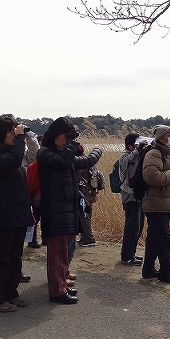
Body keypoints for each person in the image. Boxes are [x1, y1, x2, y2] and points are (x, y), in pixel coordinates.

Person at [38, 117, 102, 304]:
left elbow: (84, 161)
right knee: (57, 254)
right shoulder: (45, 152)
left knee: (67, 250)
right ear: (56, 135)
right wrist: (72, 143)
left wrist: (97, 150)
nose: (69, 140)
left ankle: (61, 285)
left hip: (67, 209)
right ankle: (57, 292)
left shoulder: (61, 153)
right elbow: (63, 161)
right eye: (67, 136)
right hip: (54, 210)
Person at [0, 115, 35, 312]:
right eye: (12, 132)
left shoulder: (11, 153)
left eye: (16, 131)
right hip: (5, 213)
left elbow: (27, 158)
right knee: (2, 257)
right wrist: (20, 138)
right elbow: (14, 160)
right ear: (1, 134)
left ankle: (11, 292)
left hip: (18, 212)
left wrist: (25, 137)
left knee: (15, 256)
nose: (15, 135)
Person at [141, 125, 170, 284]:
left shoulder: (164, 153)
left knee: (154, 238)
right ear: (163, 138)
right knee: (164, 239)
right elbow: (152, 177)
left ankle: (148, 269)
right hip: (156, 203)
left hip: (161, 202)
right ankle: (165, 272)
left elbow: (161, 174)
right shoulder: (154, 153)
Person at [119, 132, 146, 266]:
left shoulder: (136, 154)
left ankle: (131, 253)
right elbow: (126, 165)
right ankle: (127, 256)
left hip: (138, 196)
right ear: (130, 146)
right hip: (130, 197)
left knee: (138, 227)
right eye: (137, 144)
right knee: (132, 227)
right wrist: (138, 150)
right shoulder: (125, 155)